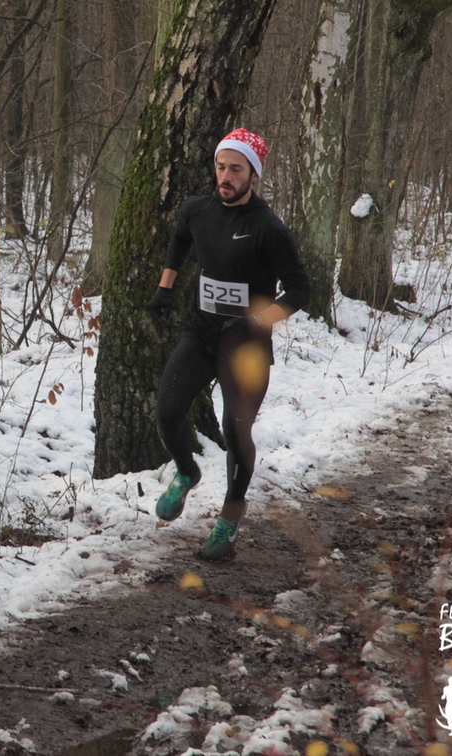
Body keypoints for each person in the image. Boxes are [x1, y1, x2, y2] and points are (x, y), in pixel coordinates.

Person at [146, 127, 310, 561]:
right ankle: (186, 472)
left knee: (235, 433)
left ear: (253, 174)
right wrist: (165, 287)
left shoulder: (268, 229)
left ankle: (229, 518)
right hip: (199, 334)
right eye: (220, 167)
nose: (225, 176)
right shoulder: (197, 211)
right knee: (167, 412)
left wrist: (256, 320)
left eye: (236, 169)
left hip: (246, 349)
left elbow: (300, 290)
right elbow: (181, 238)